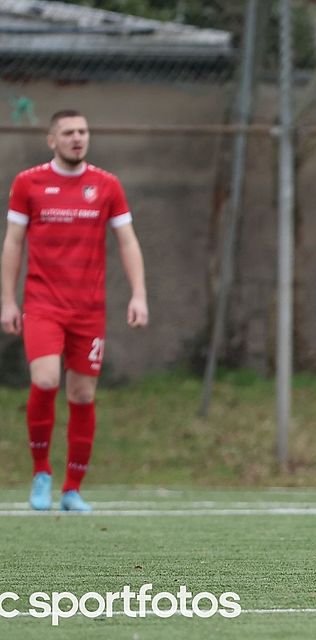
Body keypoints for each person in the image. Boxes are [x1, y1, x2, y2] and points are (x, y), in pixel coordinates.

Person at [1, 109, 149, 512]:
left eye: (83, 131)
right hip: (43, 304)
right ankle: (40, 473)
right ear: (52, 140)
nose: (77, 138)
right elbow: (13, 242)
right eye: (68, 132)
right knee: (46, 380)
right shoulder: (28, 183)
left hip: (89, 310)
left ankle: (72, 489)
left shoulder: (106, 185)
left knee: (82, 394)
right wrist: (8, 301)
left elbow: (128, 241)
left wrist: (138, 295)